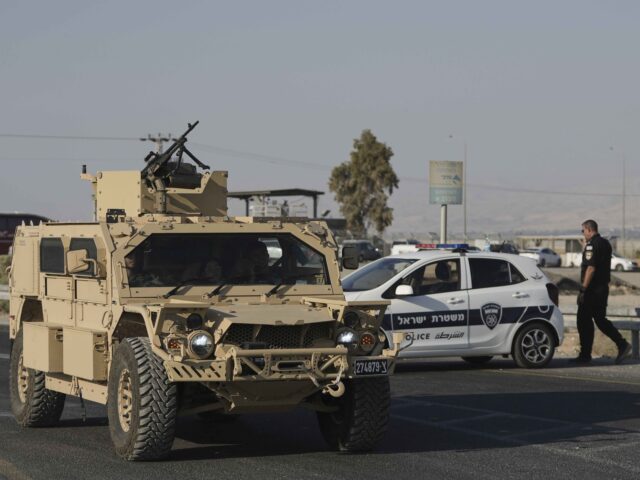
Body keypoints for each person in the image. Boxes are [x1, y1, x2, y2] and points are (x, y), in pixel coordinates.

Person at [570, 219, 632, 364]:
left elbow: (591, 268)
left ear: (589, 229)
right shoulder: (605, 243)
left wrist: (583, 289)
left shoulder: (592, 245)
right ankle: (622, 344)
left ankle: (585, 355)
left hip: (592, 290)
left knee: (583, 320)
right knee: (600, 319)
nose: (583, 233)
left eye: (583, 231)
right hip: (602, 288)